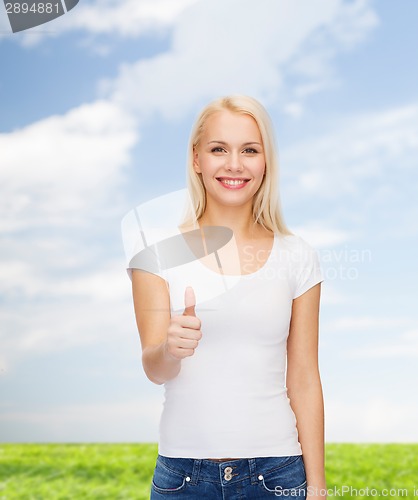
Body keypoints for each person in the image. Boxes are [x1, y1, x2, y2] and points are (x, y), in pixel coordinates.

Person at [127, 95, 326, 498]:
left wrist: (317, 486)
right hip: (183, 479)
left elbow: (304, 377)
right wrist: (169, 348)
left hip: (278, 476)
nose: (234, 164)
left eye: (249, 150)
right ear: (197, 158)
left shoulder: (298, 256)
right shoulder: (155, 253)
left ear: (266, 161)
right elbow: (155, 369)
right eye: (219, 149)